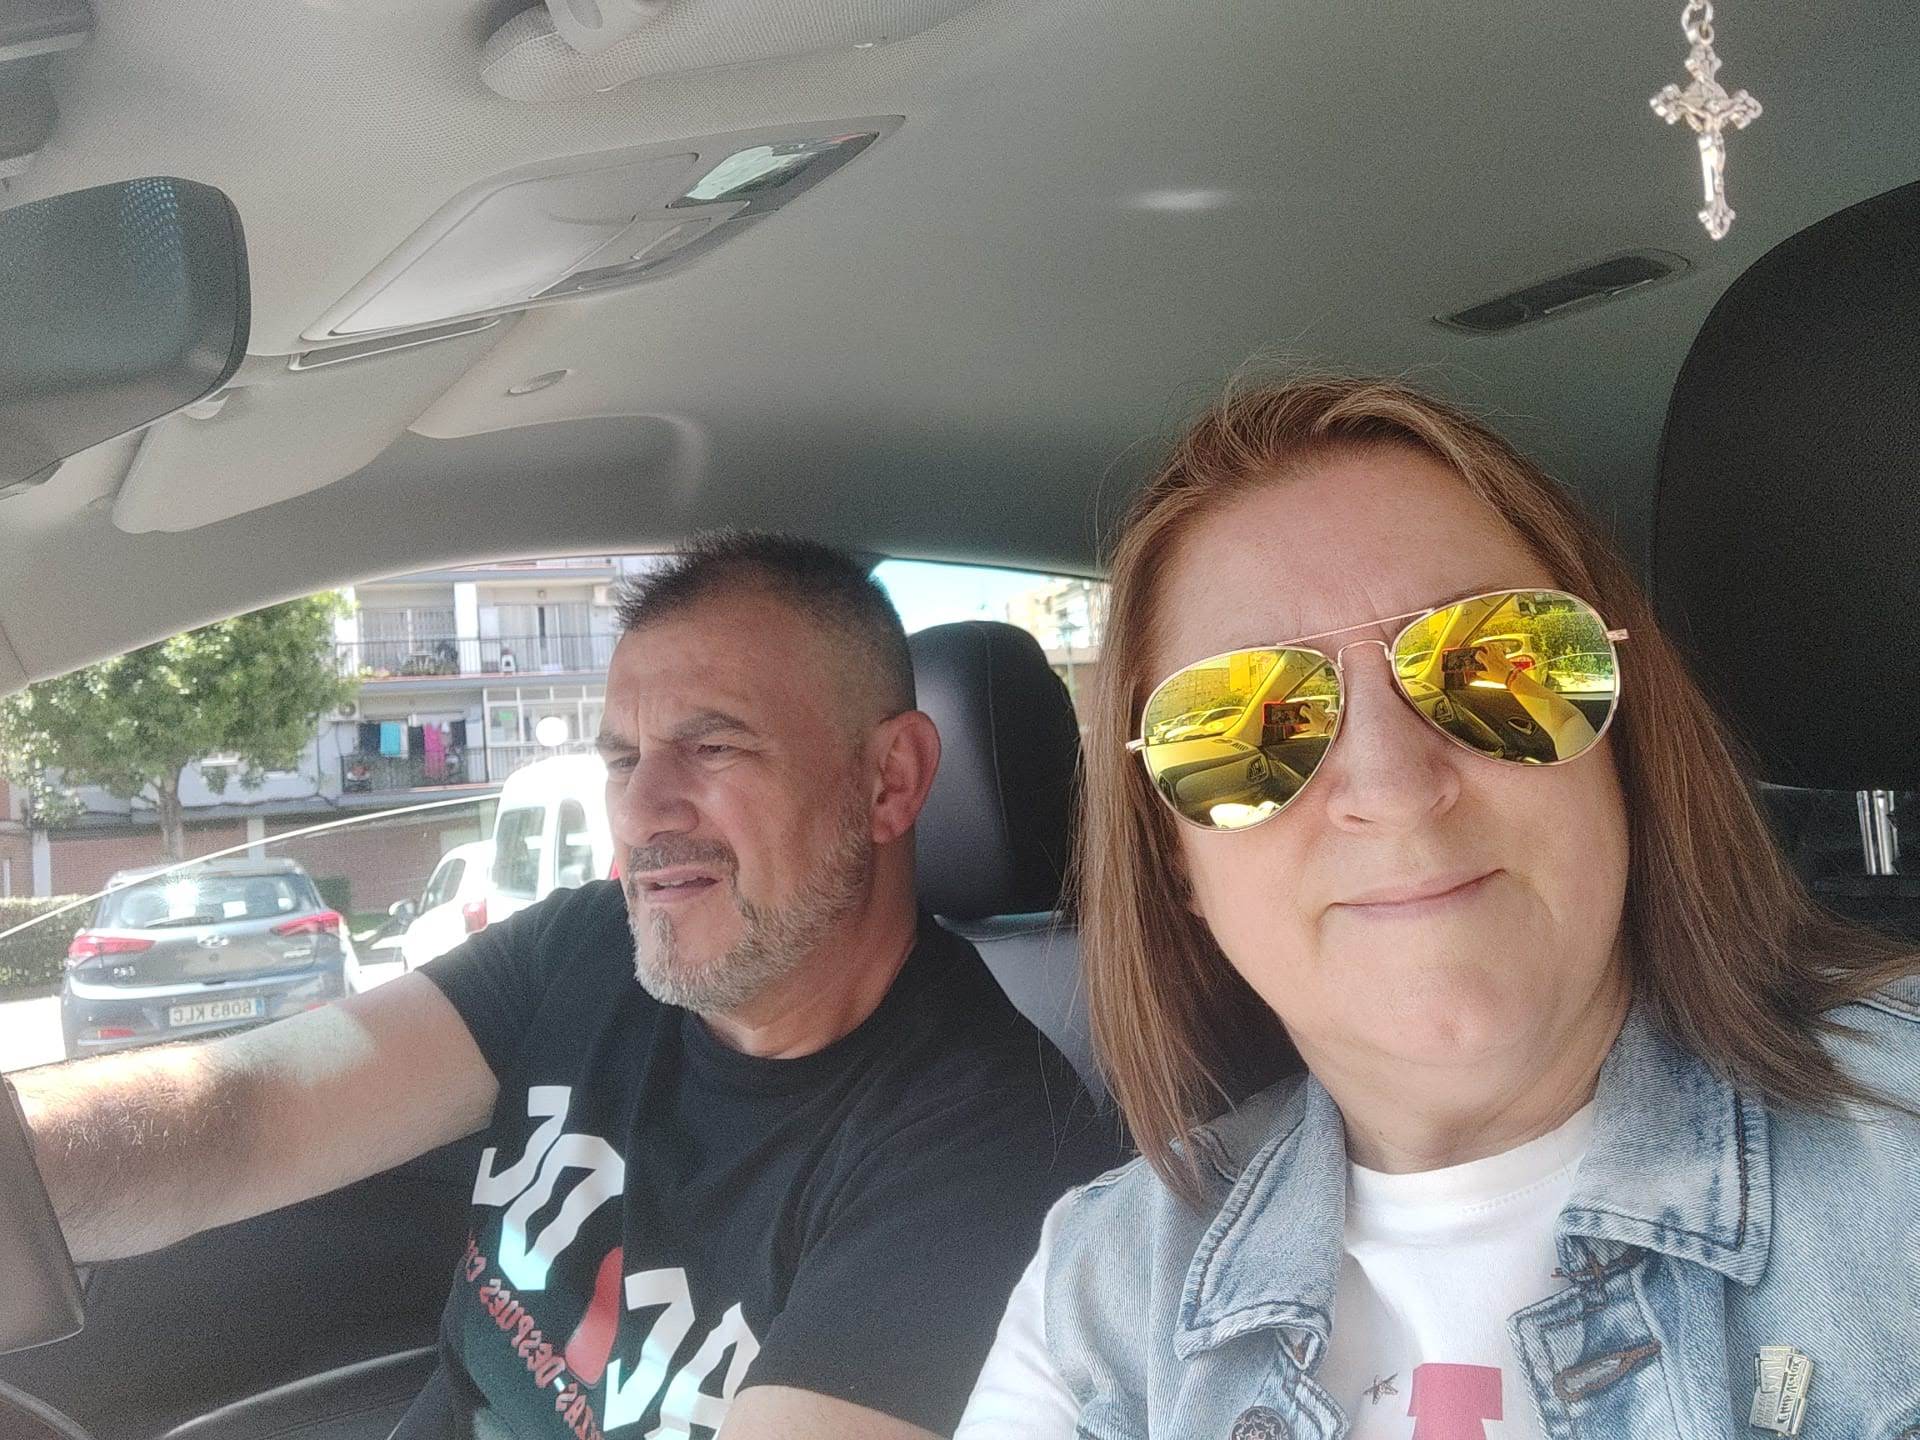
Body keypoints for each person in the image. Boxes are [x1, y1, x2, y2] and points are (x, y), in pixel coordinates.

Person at [956, 377, 1920, 1438]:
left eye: (1500, 664)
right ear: (1173, 856)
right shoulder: (1099, 1302)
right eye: (1245, 725)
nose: (1394, 786)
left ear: (1624, 742)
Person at [12, 532, 1118, 1440]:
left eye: (714, 748)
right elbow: (246, 1109)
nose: (641, 809)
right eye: (623, 759)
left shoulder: (997, 1153)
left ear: (890, 780)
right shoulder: (585, 950)